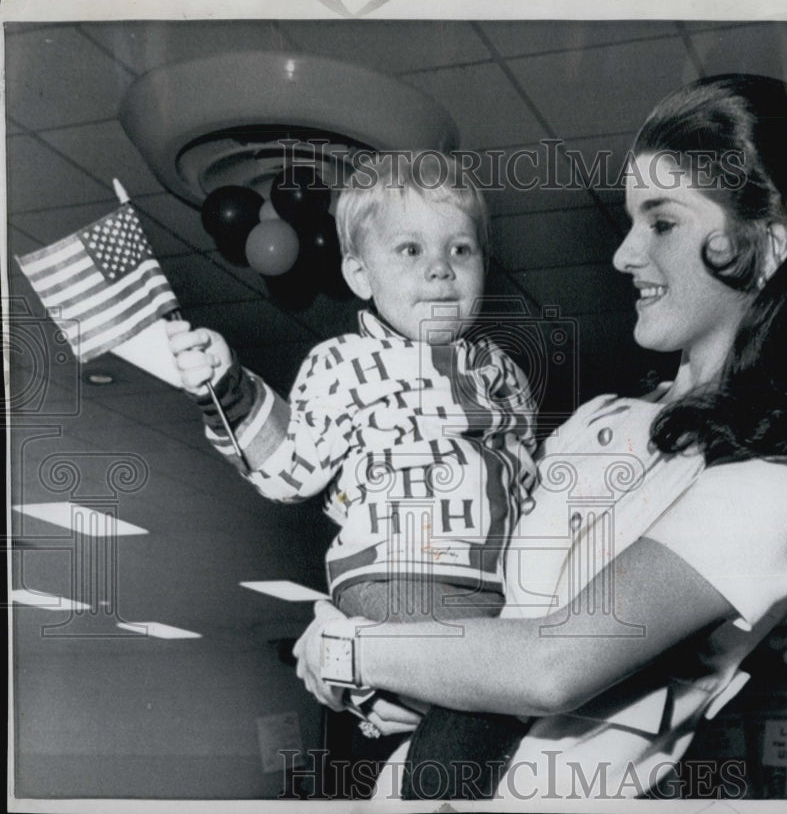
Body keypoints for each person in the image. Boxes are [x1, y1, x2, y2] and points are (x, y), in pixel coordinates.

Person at [292, 74, 787, 801]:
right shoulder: (599, 419)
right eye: (632, 220)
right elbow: (478, 610)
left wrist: (352, 649)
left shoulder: (779, 477)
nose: (623, 254)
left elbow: (551, 668)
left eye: (661, 223)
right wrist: (379, 671)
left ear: (764, 245)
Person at [166, 153, 538, 792]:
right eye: (410, 250)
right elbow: (288, 468)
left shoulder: (502, 371)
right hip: (399, 575)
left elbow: (526, 479)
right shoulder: (345, 361)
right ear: (360, 275)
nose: (440, 268)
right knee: (489, 701)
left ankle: (416, 779)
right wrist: (225, 389)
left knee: (506, 722)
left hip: (493, 588)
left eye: (461, 248)